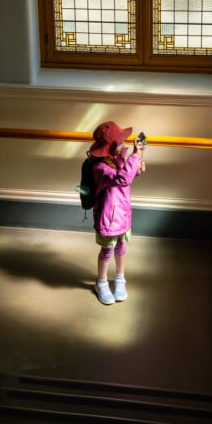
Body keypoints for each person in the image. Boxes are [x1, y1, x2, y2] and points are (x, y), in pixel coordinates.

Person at [88, 120, 146, 305]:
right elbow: (121, 180)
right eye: (120, 141)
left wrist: (137, 170)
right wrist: (135, 157)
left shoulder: (117, 158)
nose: (124, 144)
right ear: (110, 147)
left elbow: (126, 177)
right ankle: (102, 282)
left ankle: (120, 278)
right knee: (107, 249)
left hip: (122, 213)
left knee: (121, 246)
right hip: (109, 217)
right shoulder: (99, 168)